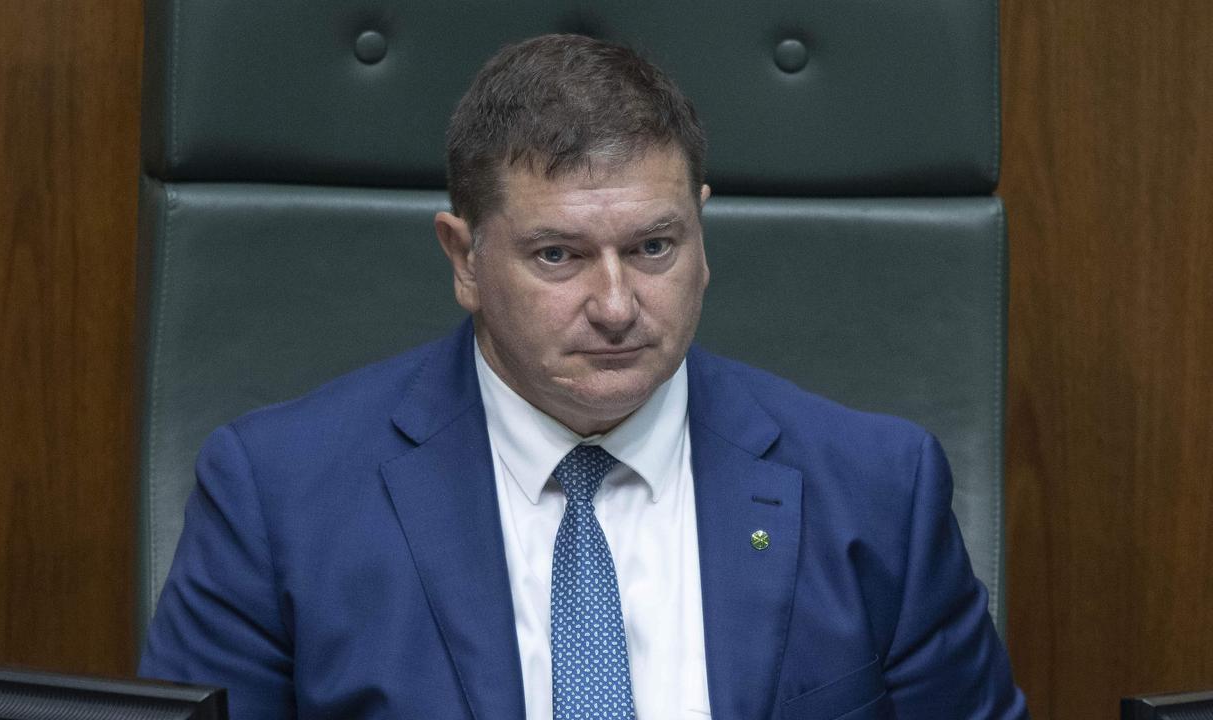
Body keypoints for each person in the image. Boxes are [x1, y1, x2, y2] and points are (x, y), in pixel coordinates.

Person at [140, 34, 1028, 720]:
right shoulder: (276, 499)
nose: (615, 304)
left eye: (653, 246)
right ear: (464, 258)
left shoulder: (877, 488)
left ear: (701, 234)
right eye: (558, 254)